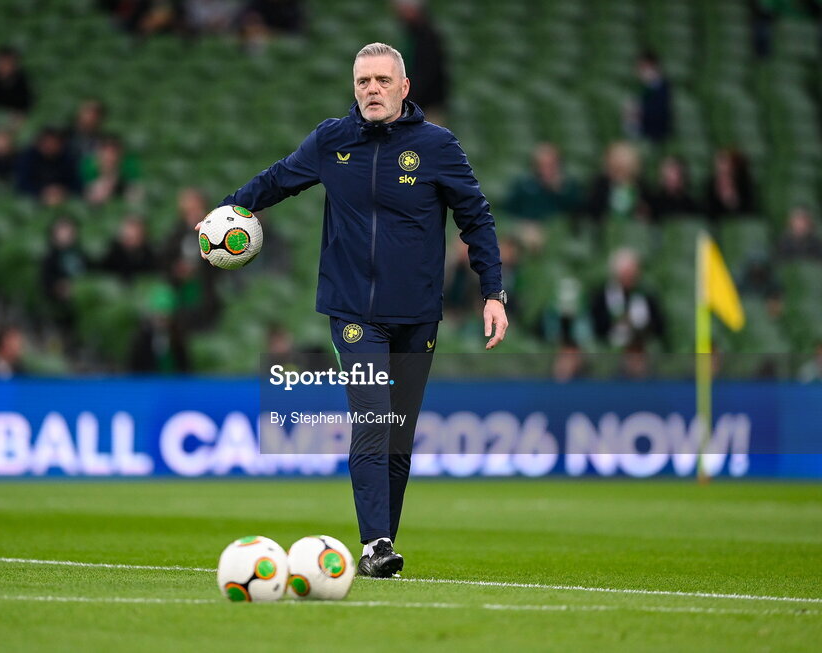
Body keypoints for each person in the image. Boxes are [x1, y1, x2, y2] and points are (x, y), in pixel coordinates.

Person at [210, 43, 507, 577]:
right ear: (354, 87)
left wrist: (493, 292)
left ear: (404, 87)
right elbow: (279, 179)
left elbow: (476, 218)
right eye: (363, 81)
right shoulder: (332, 139)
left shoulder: (437, 147)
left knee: (398, 432)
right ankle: (374, 544)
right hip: (353, 312)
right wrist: (230, 209)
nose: (372, 89)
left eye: (381, 81)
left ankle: (383, 543)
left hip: (417, 312)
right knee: (373, 417)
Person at [590, 247, 666, 349]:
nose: (629, 278)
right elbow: (596, 327)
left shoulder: (647, 296)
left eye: (632, 274)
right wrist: (618, 320)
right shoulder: (601, 296)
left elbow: (659, 327)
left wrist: (639, 324)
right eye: (625, 274)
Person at [393, 0, 448, 124]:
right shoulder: (411, 34)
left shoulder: (427, 37)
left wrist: (407, 98)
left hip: (427, 105)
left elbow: (426, 73)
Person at [503, 143, 582, 220]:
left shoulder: (569, 185)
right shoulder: (523, 185)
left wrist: (561, 190)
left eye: (551, 165)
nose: (547, 170)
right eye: (542, 165)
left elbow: (577, 211)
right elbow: (508, 211)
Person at [586, 141, 648, 222]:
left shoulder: (641, 186)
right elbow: (593, 211)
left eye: (625, 171)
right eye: (617, 170)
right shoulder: (600, 185)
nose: (620, 176)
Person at [100, 216, 158, 281]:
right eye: (127, 237)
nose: (130, 242)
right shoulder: (112, 253)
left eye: (135, 237)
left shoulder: (150, 255)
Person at [706, 148, 755, 220]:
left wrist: (733, 201)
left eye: (726, 163)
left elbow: (748, 213)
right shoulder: (711, 186)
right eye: (719, 163)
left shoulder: (744, 185)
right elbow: (708, 214)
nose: (722, 168)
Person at [647, 155, 701, 219]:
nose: (672, 177)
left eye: (676, 173)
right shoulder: (653, 203)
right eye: (668, 173)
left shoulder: (692, 205)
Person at [0, 46, 32, 113]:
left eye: (7, 63)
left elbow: (26, 105)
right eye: (1, 62)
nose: (4, 66)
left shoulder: (21, 81)